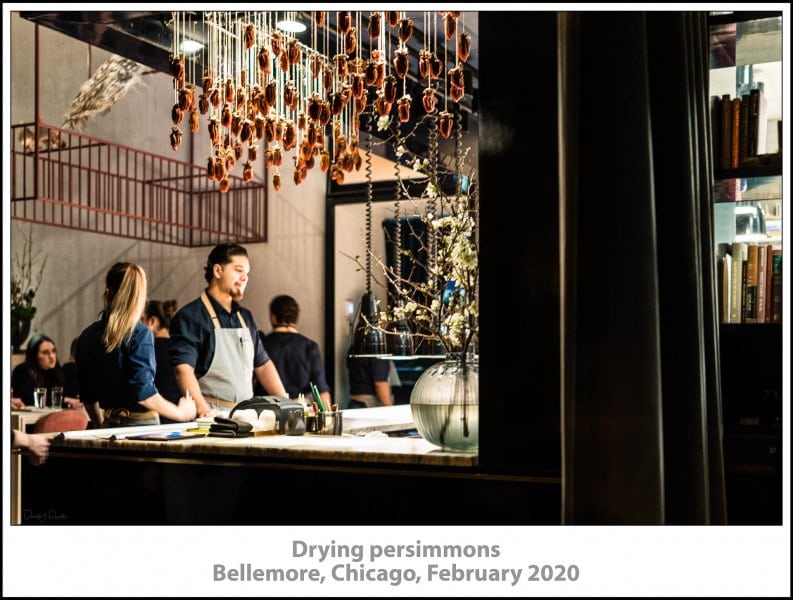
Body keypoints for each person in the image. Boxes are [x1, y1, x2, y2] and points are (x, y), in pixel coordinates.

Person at [169, 243, 287, 417]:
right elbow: (183, 370)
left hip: (247, 416)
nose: (245, 277)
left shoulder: (245, 317)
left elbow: (263, 365)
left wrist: (286, 403)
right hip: (212, 418)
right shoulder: (191, 317)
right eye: (238, 270)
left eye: (247, 273)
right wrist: (203, 410)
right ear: (218, 271)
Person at [76, 262, 196, 427]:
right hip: (141, 427)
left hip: (110, 425)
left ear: (107, 293)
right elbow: (144, 394)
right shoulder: (140, 333)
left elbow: (87, 394)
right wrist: (181, 413)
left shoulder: (87, 336)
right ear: (140, 297)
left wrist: (100, 425)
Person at [254, 294, 331, 408]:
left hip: (266, 412)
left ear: (273, 316)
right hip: (299, 410)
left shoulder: (261, 344)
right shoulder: (310, 347)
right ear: (295, 318)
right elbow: (322, 392)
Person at [10, 333, 81, 409]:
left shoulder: (55, 371)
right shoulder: (22, 371)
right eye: (45, 353)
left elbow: (66, 395)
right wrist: (65, 400)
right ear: (34, 355)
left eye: (53, 351)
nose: (51, 356)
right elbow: (29, 399)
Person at [143, 299, 181, 421]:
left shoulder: (146, 350)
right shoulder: (182, 349)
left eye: (140, 321)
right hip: (180, 417)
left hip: (154, 419)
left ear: (152, 321)